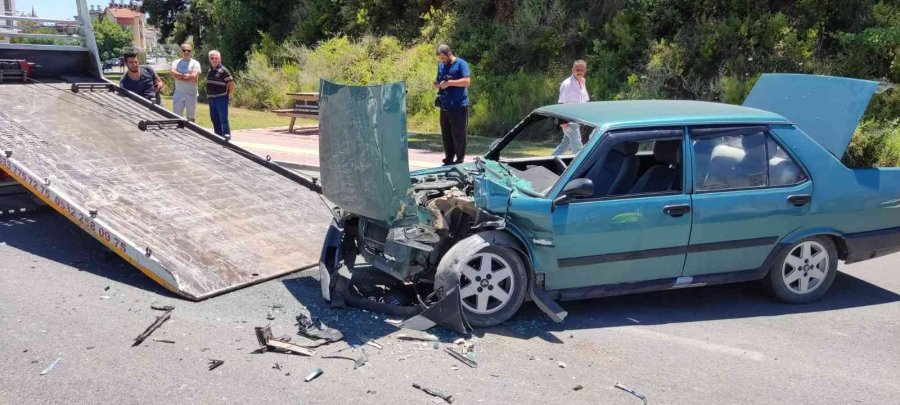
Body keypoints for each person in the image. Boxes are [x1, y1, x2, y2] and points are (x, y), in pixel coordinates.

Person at [434, 44, 471, 165]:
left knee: (459, 134)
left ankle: (459, 159)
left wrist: (449, 83)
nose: (442, 61)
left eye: (444, 58)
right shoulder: (441, 65)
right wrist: (438, 84)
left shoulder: (461, 64)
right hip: (445, 105)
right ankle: (448, 159)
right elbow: (440, 80)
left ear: (449, 54)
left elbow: (467, 81)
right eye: (440, 59)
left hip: (459, 105)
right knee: (446, 135)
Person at [553, 60, 589, 155]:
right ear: (573, 70)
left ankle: (549, 160)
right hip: (568, 122)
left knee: (566, 143)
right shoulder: (568, 84)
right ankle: (580, 167)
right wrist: (562, 122)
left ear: (585, 71)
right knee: (577, 145)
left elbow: (584, 100)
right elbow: (561, 103)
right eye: (577, 69)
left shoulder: (582, 81)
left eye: (582, 70)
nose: (579, 71)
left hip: (577, 120)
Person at [206, 50, 235, 141]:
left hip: (221, 98)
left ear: (220, 59)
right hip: (212, 99)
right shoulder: (210, 70)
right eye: (212, 58)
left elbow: (231, 84)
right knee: (214, 119)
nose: (214, 60)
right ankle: (218, 137)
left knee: (223, 119)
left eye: (216, 58)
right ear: (209, 59)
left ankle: (227, 138)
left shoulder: (224, 70)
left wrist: (228, 95)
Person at [170, 43, 201, 122]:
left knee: (191, 117)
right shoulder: (176, 62)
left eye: (188, 50)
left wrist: (179, 77)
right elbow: (173, 73)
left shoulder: (195, 63)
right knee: (176, 116)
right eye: (184, 50)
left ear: (191, 52)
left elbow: (194, 76)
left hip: (191, 94)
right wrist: (187, 76)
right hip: (178, 93)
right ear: (181, 51)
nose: (186, 52)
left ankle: (191, 133)